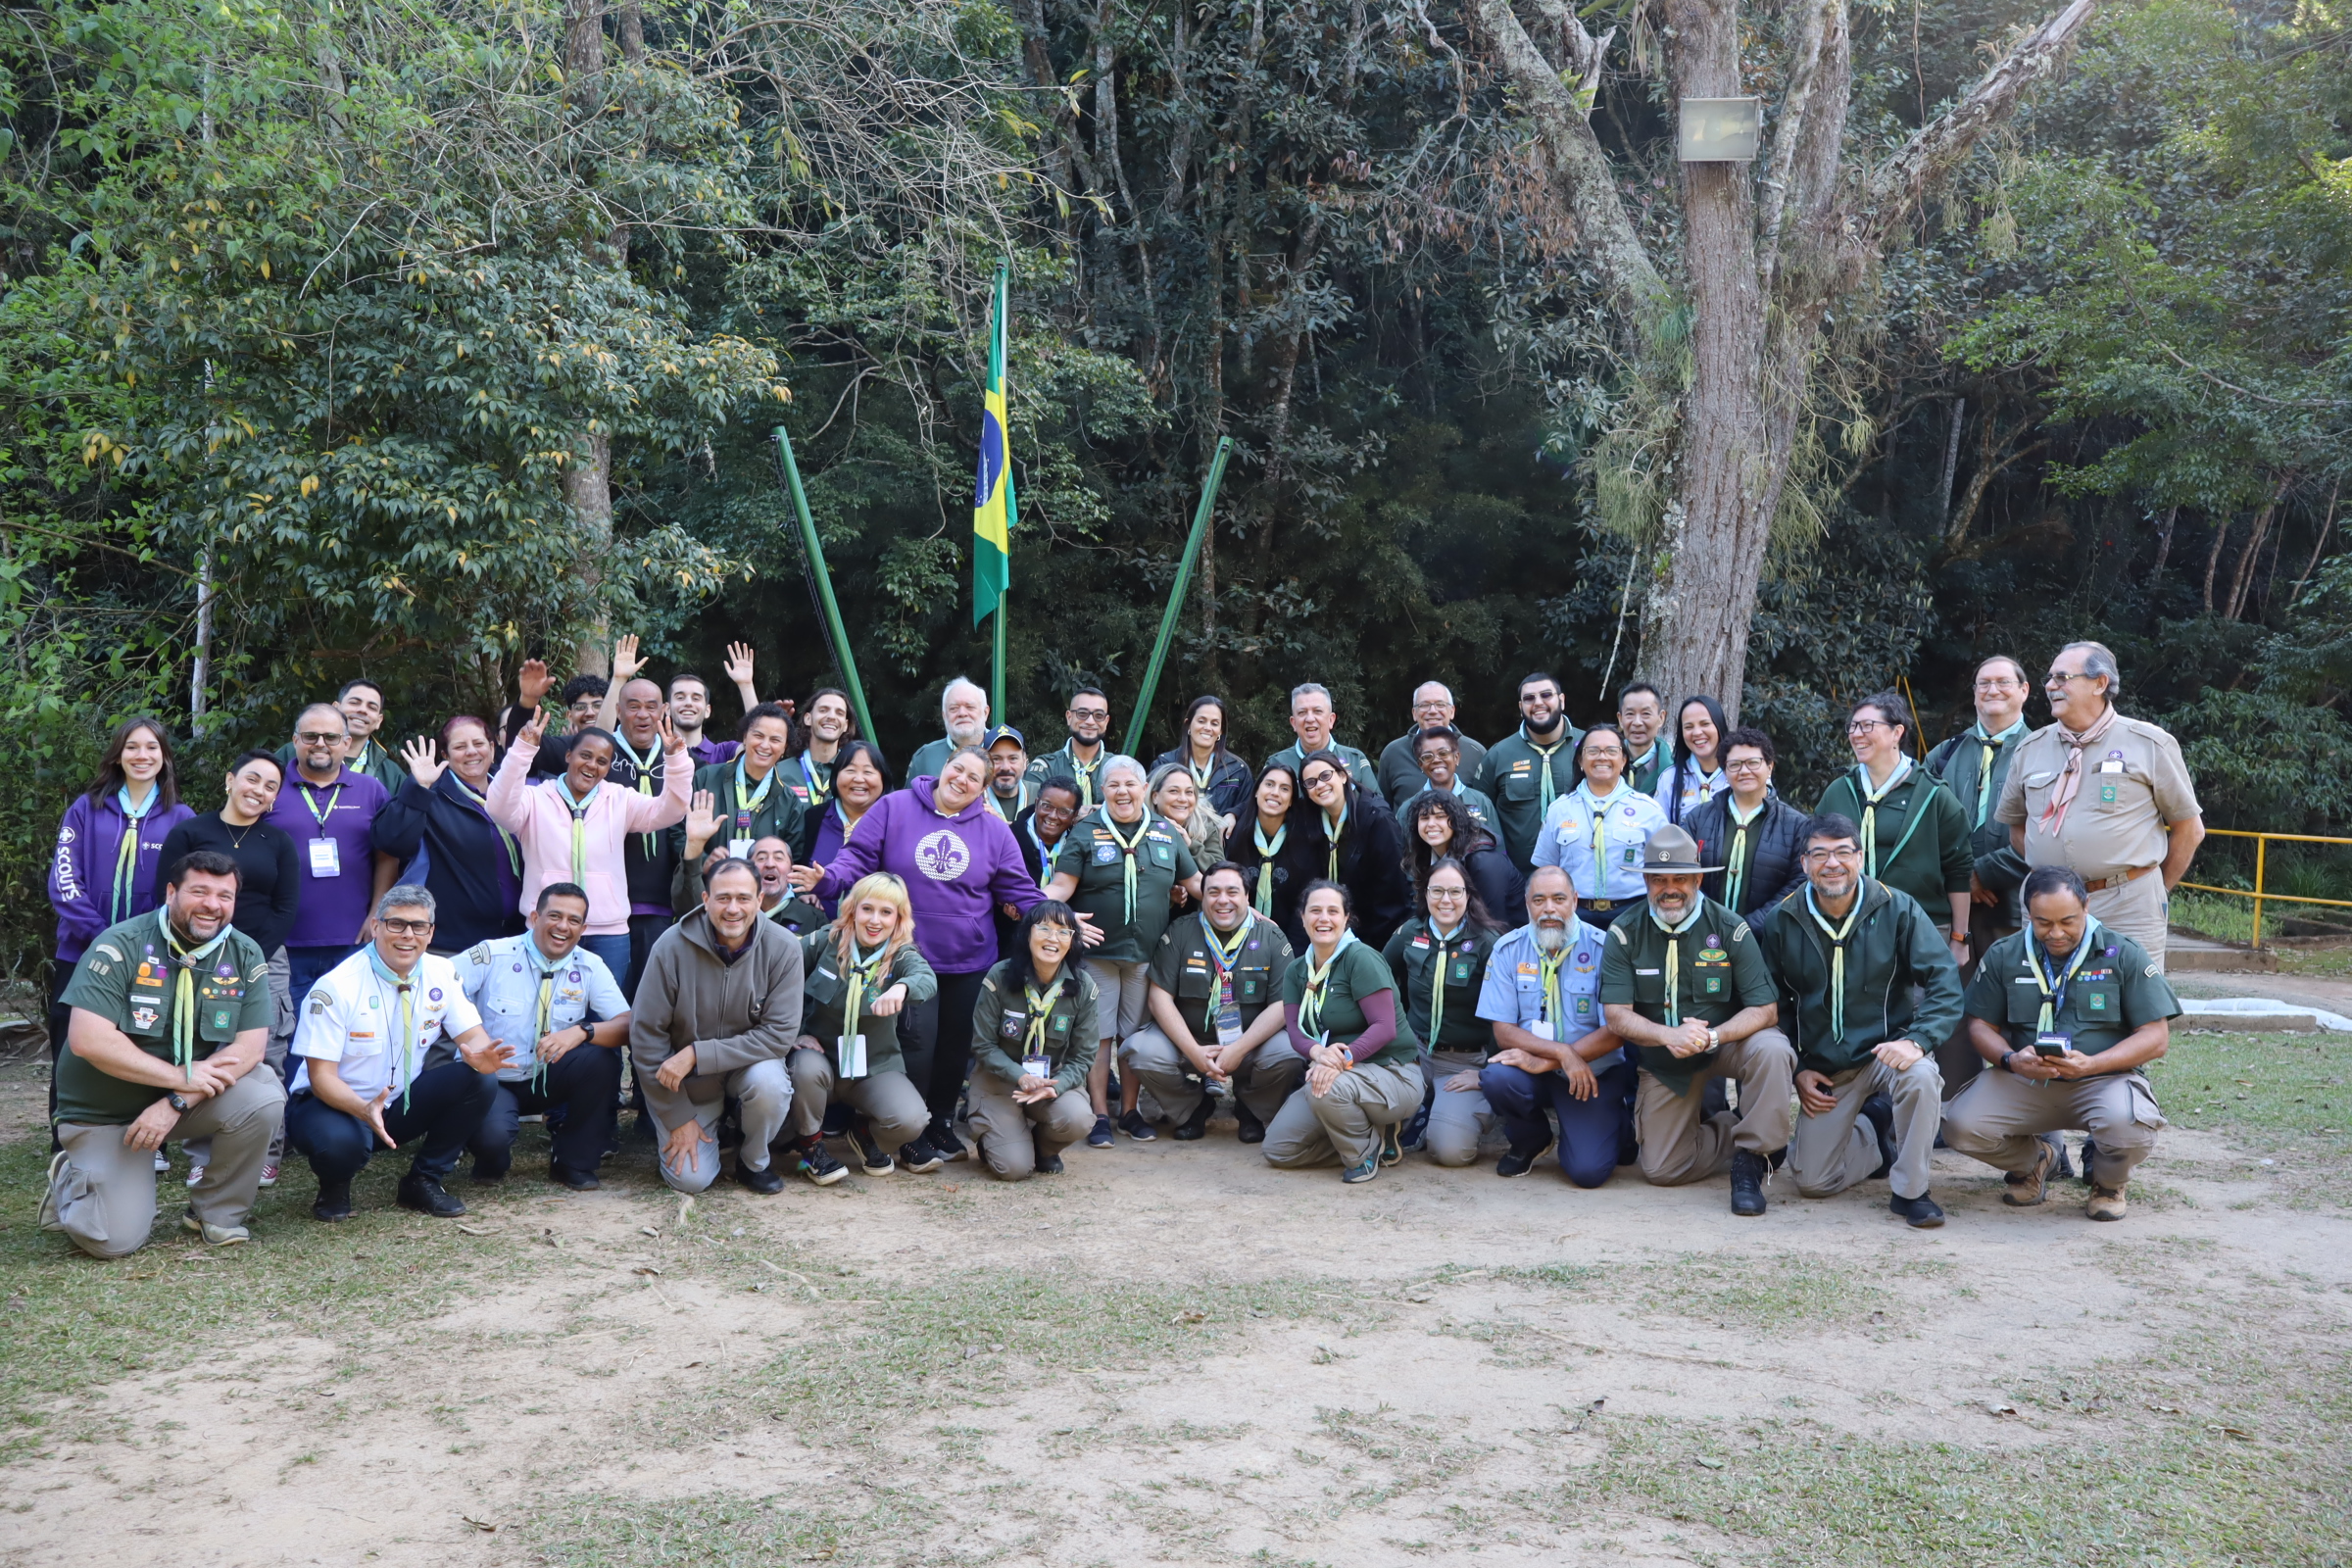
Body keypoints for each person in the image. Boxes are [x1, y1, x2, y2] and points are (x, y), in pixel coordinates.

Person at [42, 852, 283, 1255]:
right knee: (111, 1242)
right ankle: (72, 1175)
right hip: (103, 1115)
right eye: (199, 892)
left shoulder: (244, 953)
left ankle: (216, 1213)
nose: (212, 905)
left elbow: (250, 1049)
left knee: (262, 1093)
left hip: (175, 1105)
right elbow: (88, 1039)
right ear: (171, 892)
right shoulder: (121, 943)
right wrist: (178, 1078)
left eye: (224, 896)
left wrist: (176, 1100)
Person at [813, 746, 1045, 1164]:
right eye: (958, 769)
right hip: (907, 955)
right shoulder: (895, 807)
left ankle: (939, 1121)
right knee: (916, 1045)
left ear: (983, 789)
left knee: (956, 1046)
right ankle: (908, 1130)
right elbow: (858, 858)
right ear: (945, 767)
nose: (962, 780)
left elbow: (1018, 887)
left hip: (969, 959)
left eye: (974, 778)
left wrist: (1057, 917)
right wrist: (828, 879)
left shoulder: (995, 830)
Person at [1755, 814, 1963, 1229]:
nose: (1832, 863)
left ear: (1860, 857)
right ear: (1804, 863)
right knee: (1813, 1181)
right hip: (1830, 1066)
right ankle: (1875, 1131)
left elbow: (1945, 982)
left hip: (1888, 1051)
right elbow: (1775, 1003)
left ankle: (1911, 1192)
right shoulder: (1784, 918)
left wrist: (1918, 1040)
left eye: (1842, 852)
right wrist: (1799, 1066)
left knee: (1922, 1076)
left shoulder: (1897, 907)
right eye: (1820, 854)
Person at [1944, 864, 2180, 1220]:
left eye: (2067, 921)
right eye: (2043, 922)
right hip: (2026, 1080)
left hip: (2104, 1080)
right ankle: (2037, 1162)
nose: (2056, 933)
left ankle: (2108, 1184)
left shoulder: (2123, 953)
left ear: (2086, 907)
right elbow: (1980, 1026)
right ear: (2028, 914)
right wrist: (2010, 1059)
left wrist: (2094, 1064)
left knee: (2129, 1127)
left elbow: (2156, 1037)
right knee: (1960, 1125)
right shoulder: (2005, 954)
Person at [285, 885, 513, 1220]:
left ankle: (424, 1180)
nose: (408, 935)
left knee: (478, 1080)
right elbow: (321, 1078)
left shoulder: (442, 972)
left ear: (430, 932)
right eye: (397, 924)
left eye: (418, 926)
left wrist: (482, 1056)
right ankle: (333, 1188)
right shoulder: (337, 986)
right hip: (333, 1104)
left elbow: (473, 1036)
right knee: (341, 1144)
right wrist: (364, 1109)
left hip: (398, 1101)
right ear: (376, 926)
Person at [1599, 825, 1794, 1216]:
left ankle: (1752, 1158)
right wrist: (1668, 1035)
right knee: (1662, 1169)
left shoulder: (1729, 927)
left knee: (1773, 1048)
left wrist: (1713, 1037)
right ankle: (1734, 1129)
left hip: (1726, 1045)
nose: (1670, 889)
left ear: (1698, 880)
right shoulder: (1624, 932)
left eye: (1680, 879)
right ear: (1647, 882)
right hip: (1665, 1057)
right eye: (1659, 880)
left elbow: (1765, 1009)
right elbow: (1616, 1016)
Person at [1996, 641, 2204, 971]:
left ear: (2100, 683)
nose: (2050, 686)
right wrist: (2052, 873)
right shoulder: (2030, 749)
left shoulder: (2149, 744)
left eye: (2062, 677)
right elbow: (2018, 828)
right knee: (2044, 995)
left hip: (2128, 907)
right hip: (2048, 907)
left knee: (2132, 998)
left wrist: (2154, 891)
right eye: (2050, 678)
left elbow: (2189, 830)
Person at [1046, 755, 1204, 1146]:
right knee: (1100, 1036)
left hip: (1147, 955)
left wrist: (1245, 910)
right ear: (1102, 790)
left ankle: (1129, 1112)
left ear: (1144, 789)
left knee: (1132, 1037)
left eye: (1130, 784)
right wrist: (1032, 902)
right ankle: (1100, 1113)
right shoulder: (1085, 832)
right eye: (1114, 785)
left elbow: (1198, 884)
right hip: (1098, 953)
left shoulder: (1165, 832)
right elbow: (1062, 886)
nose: (1122, 791)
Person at [49, 717, 196, 1127]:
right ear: (118, 755)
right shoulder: (86, 808)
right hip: (81, 952)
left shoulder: (180, 816)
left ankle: (150, 1136)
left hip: (150, 955)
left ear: (164, 757)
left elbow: (184, 890)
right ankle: (66, 1135)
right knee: (70, 1044)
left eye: (151, 747)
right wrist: (102, 937)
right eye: (132, 747)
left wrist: (143, 942)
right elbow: (64, 880)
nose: (141, 755)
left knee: (147, 1044)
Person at [629, 857, 803, 1193]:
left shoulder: (784, 948)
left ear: (759, 900)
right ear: (706, 899)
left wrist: (698, 1053)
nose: (733, 909)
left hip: (746, 1069)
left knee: (770, 1084)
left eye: (743, 898)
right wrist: (678, 1117)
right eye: (723, 898)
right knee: (690, 1180)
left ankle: (753, 1161)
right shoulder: (670, 946)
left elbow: (778, 1036)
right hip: (688, 1084)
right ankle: (713, 1128)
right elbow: (646, 1037)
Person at [453, 883, 631, 1190]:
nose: (563, 927)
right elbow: (439, 990)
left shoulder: (590, 966)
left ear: (583, 929)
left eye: (574, 920)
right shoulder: (493, 954)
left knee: (601, 1060)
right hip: (494, 1079)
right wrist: (470, 1036)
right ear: (535, 917)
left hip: (550, 1075)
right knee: (492, 1140)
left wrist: (582, 1031)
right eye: (555, 916)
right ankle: (489, 1157)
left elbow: (628, 1024)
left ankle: (573, 1162)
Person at [488, 708, 690, 977]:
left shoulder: (620, 799)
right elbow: (498, 807)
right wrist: (522, 751)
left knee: (607, 1005)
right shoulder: (534, 798)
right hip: (548, 925)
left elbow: (671, 810)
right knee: (545, 1003)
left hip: (608, 933)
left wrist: (676, 761)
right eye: (585, 755)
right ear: (568, 756)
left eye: (602, 761)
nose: (592, 765)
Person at [1474, 865, 1634, 1187]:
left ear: (1575, 900)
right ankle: (1531, 1139)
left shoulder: (1605, 949)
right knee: (1496, 1078)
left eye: (1559, 899)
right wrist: (1562, 1053)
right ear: (1527, 903)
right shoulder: (1508, 949)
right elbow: (1503, 1031)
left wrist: (1557, 1059)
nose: (1549, 909)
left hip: (1591, 1072)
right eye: (1539, 900)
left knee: (1588, 1173)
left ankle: (1615, 1120)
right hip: (1532, 1071)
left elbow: (1616, 1032)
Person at [1123, 861, 1300, 1144]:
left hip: (1251, 1043)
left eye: (1232, 892)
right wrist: (1193, 1051)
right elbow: (1159, 998)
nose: (1222, 900)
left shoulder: (1271, 937)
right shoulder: (1180, 931)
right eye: (1213, 892)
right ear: (1202, 896)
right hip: (1190, 1041)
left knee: (1290, 1052)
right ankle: (1192, 1107)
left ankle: (1252, 1108)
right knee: (1141, 1051)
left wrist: (1239, 1049)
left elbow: (1281, 1006)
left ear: (1247, 897)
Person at [1925, 656, 2035, 1092]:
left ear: (2024, 691)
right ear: (1973, 694)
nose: (1992, 690)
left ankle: (2022, 1108)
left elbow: (2052, 834)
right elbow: (1918, 826)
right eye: (1983, 683)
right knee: (1952, 1007)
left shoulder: (2045, 751)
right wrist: (1958, 879)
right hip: (1952, 909)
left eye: (2003, 682)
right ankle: (1956, 1106)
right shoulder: (1946, 753)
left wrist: (1983, 874)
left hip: (2016, 906)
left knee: (2019, 1006)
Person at [1263, 880, 1422, 1183]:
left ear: (1346, 918)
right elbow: (1295, 1030)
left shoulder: (1361, 958)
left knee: (1326, 1088)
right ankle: (1373, 1134)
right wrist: (1319, 1053)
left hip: (1392, 1071)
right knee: (1279, 1150)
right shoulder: (1297, 970)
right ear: (1302, 917)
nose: (1324, 918)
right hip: (1338, 1074)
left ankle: (1362, 1154)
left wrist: (1341, 1060)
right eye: (1315, 911)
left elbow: (1384, 1027)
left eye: (1333, 911)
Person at [784, 872, 940, 1183]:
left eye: (886, 912)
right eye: (867, 909)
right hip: (821, 1061)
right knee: (805, 1068)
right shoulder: (828, 940)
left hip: (872, 1068)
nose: (875, 920)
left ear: (898, 918)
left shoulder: (901, 953)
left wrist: (902, 988)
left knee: (912, 1120)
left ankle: (863, 1133)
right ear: (853, 909)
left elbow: (926, 978)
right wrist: (794, 1033)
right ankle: (811, 1149)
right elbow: (780, 974)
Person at [155, 751, 303, 1063]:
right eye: (252, 779)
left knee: (264, 1053)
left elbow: (286, 907)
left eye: (270, 787)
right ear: (230, 780)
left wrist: (249, 958)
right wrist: (200, 952)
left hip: (262, 958)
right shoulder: (189, 832)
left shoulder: (279, 842)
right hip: (191, 954)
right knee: (190, 1045)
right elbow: (166, 896)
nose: (259, 790)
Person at [1814, 692, 1973, 964]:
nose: (1856, 734)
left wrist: (1960, 938)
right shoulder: (1839, 791)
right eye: (1853, 726)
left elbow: (1959, 870)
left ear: (1897, 732)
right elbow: (1814, 856)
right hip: (1845, 929)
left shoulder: (1933, 795)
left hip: (1921, 929)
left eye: (1867, 725)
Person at [267, 704, 399, 1026]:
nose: (320, 744)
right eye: (310, 736)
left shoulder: (371, 790)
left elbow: (387, 855)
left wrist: (377, 912)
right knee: (288, 1036)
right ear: (295, 740)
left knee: (353, 1033)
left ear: (346, 742)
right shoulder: (271, 787)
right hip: (285, 943)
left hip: (354, 940)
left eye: (331, 737)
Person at [966, 902, 1100, 1179]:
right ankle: (998, 1140)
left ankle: (1043, 1147)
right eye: (1044, 929)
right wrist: (1021, 1076)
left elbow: (1083, 1057)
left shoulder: (1083, 986)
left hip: (1050, 1081)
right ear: (1027, 933)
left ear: (1072, 941)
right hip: (999, 1081)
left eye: (1063, 932)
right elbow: (983, 1045)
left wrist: (1058, 1086)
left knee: (1077, 1118)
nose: (1053, 938)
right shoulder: (1000, 976)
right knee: (1013, 1168)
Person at [371, 720, 526, 956]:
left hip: (514, 940)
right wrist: (418, 788)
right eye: (460, 746)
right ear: (445, 755)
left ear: (492, 748)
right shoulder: (430, 795)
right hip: (452, 944)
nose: (471, 751)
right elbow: (390, 840)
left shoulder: (516, 793)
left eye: (478, 743)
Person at [1383, 858, 1501, 1167]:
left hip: (1463, 1062)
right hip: (1414, 1051)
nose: (1445, 900)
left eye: (1455, 891)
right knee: (1369, 1107)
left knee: (1451, 1152)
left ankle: (1449, 1108)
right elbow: (1379, 980)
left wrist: (1488, 1072)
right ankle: (1423, 1105)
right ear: (1425, 894)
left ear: (1468, 895)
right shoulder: (1410, 932)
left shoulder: (1488, 942)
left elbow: (1507, 1011)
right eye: (1437, 891)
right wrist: (1393, 1033)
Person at [596, 656, 691, 995]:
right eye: (633, 706)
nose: (642, 714)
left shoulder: (680, 759)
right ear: (618, 711)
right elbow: (595, 735)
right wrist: (617, 679)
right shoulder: (601, 760)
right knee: (608, 1001)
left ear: (664, 711)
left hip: (661, 903)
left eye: (651, 707)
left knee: (653, 1000)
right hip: (607, 908)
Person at [1533, 723, 1670, 932]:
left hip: (1634, 914)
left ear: (1623, 760)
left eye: (1611, 751)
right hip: (1574, 915)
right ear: (1580, 760)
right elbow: (1546, 870)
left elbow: (1665, 869)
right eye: (1593, 751)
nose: (1602, 757)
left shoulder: (1648, 809)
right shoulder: (1559, 810)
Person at [1686, 728, 1808, 929]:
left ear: (1769, 767)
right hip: (1704, 930)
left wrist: (1750, 926)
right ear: (1724, 771)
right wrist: (1711, 920)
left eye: (1753, 762)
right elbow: (1684, 873)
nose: (1744, 771)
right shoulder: (1698, 818)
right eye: (1734, 764)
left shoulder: (1796, 825)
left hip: (1767, 936)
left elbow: (1799, 882)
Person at [1474, 672, 1584, 873]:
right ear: (1520, 706)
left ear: (1562, 700)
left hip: (1581, 874)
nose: (1538, 703)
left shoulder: (1590, 747)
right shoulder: (1499, 754)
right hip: (1518, 878)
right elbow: (1480, 813)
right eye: (1529, 698)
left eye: (1546, 695)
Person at [792, 739, 891, 917]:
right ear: (836, 776)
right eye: (850, 770)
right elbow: (793, 867)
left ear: (883, 778)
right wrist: (803, 893)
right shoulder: (814, 818)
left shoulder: (893, 823)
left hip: (874, 928)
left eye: (868, 772)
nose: (859, 779)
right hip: (818, 929)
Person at [1403, 791, 1525, 927]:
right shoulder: (1425, 855)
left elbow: (1493, 926)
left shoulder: (1483, 862)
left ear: (1457, 821)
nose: (1431, 824)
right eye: (1424, 818)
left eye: (1440, 817)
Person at [277, 678, 408, 793]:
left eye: (372, 707)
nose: (362, 710)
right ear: (335, 708)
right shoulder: (292, 752)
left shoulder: (391, 774)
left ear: (379, 721)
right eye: (354, 702)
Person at [1223, 762, 1307, 937]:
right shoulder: (1233, 834)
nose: (1275, 792)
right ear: (1256, 791)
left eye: (1284, 789)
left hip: (1288, 939)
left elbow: (1304, 904)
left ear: (1291, 800)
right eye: (1269, 784)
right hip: (1232, 933)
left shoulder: (1304, 840)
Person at [1378, 681, 1488, 810]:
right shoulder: (1393, 753)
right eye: (1424, 705)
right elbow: (1383, 809)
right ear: (1414, 713)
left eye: (1440, 704)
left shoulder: (1475, 752)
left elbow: (1486, 806)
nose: (1433, 711)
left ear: (1452, 711)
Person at [1151, 695, 1253, 824]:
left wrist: (1234, 814)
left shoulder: (1238, 770)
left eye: (1214, 723)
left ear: (1221, 731)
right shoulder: (1164, 764)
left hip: (1221, 837)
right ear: (1188, 725)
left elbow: (1249, 809)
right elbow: (1151, 807)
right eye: (1201, 721)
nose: (1208, 728)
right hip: (1172, 834)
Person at [1265, 683, 1380, 792]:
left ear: (1331, 720)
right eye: (1302, 712)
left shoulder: (1355, 760)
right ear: (1294, 723)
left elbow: (1376, 804)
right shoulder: (1276, 763)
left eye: (1317, 711)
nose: (1310, 719)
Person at [1396, 725, 1501, 836]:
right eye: (1427, 756)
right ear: (1420, 765)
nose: (1436, 760)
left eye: (1443, 753)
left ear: (1456, 758)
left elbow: (1497, 844)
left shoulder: (1481, 802)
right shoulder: (1408, 809)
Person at [1027, 687, 1113, 812]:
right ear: (1069, 717)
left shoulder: (1120, 767)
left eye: (1098, 715)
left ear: (1106, 721)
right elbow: (1032, 813)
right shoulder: (1045, 767)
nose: (1090, 721)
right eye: (1082, 714)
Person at [1653, 695, 1731, 826]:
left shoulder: (1741, 774)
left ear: (1719, 725)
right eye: (1688, 727)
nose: (1697, 732)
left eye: (1705, 724)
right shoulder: (1669, 779)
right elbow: (1659, 831)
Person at [907, 676, 992, 782]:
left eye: (970, 707)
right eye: (954, 708)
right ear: (944, 716)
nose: (962, 713)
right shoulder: (925, 757)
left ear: (985, 713)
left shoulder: (1007, 752)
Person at [786, 687, 857, 811]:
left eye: (839, 713)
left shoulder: (856, 775)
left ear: (845, 725)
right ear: (808, 719)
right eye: (823, 710)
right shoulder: (780, 773)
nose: (832, 716)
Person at [1149, 760, 1226, 868]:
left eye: (1189, 792)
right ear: (1155, 797)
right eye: (1174, 791)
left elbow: (1219, 870)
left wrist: (1190, 845)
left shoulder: (1205, 825)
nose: (1183, 799)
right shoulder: (1139, 824)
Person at [1617, 684, 1670, 798]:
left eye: (1646, 714)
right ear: (1620, 719)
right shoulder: (1606, 763)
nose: (1637, 722)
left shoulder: (1674, 769)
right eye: (1630, 714)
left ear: (1661, 718)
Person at [982, 725, 1039, 823]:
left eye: (1013, 758)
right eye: (996, 759)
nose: (1005, 767)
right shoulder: (973, 799)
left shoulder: (1041, 795)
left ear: (1025, 762)